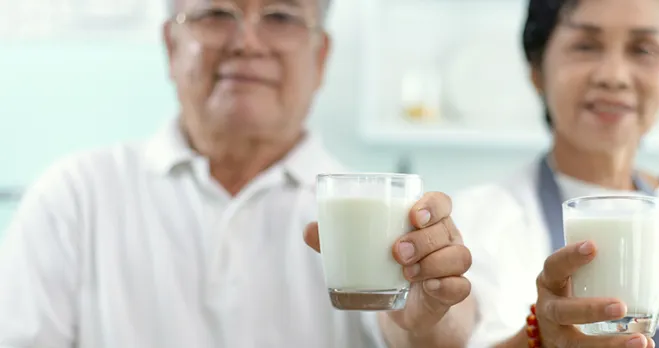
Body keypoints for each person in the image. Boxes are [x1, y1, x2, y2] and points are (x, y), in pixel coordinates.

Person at [0, 0, 475, 347]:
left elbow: (432, 326)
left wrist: (432, 316)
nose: (247, 42)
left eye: (282, 17)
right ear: (170, 44)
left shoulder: (380, 212)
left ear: (322, 55)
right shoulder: (75, 196)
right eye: (215, 14)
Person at [454, 0, 659, 347]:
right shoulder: (482, 220)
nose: (613, 76)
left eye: (643, 49)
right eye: (585, 46)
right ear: (537, 69)